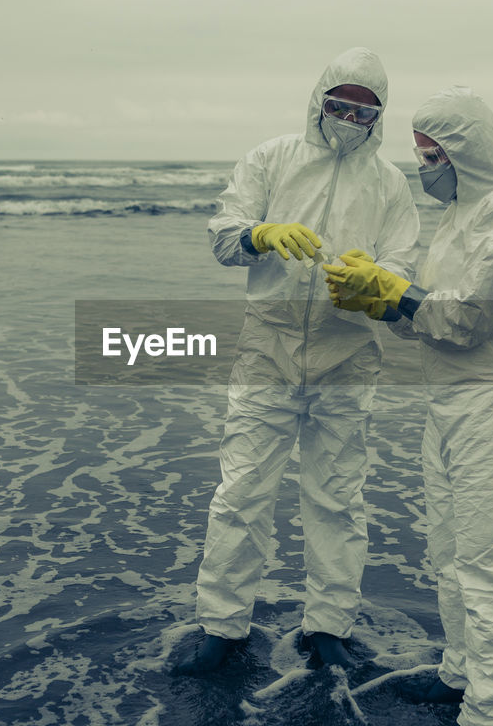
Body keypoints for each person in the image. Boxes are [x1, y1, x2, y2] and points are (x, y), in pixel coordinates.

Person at [178, 47, 420, 674]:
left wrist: (377, 277)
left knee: (338, 497)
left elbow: (401, 265)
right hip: (270, 342)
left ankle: (329, 626)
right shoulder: (272, 158)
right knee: (242, 491)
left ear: (379, 118)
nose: (348, 119)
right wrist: (259, 234)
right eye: (339, 105)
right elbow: (223, 234)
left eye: (363, 112)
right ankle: (222, 626)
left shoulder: (390, 184)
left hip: (349, 353)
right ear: (319, 100)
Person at [324, 86, 493, 725]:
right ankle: (461, 674)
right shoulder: (458, 215)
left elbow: (470, 320)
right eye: (420, 155)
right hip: (448, 406)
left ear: (467, 151)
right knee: (451, 555)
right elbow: (429, 317)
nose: (425, 168)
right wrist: (382, 301)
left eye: (434, 156)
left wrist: (395, 292)